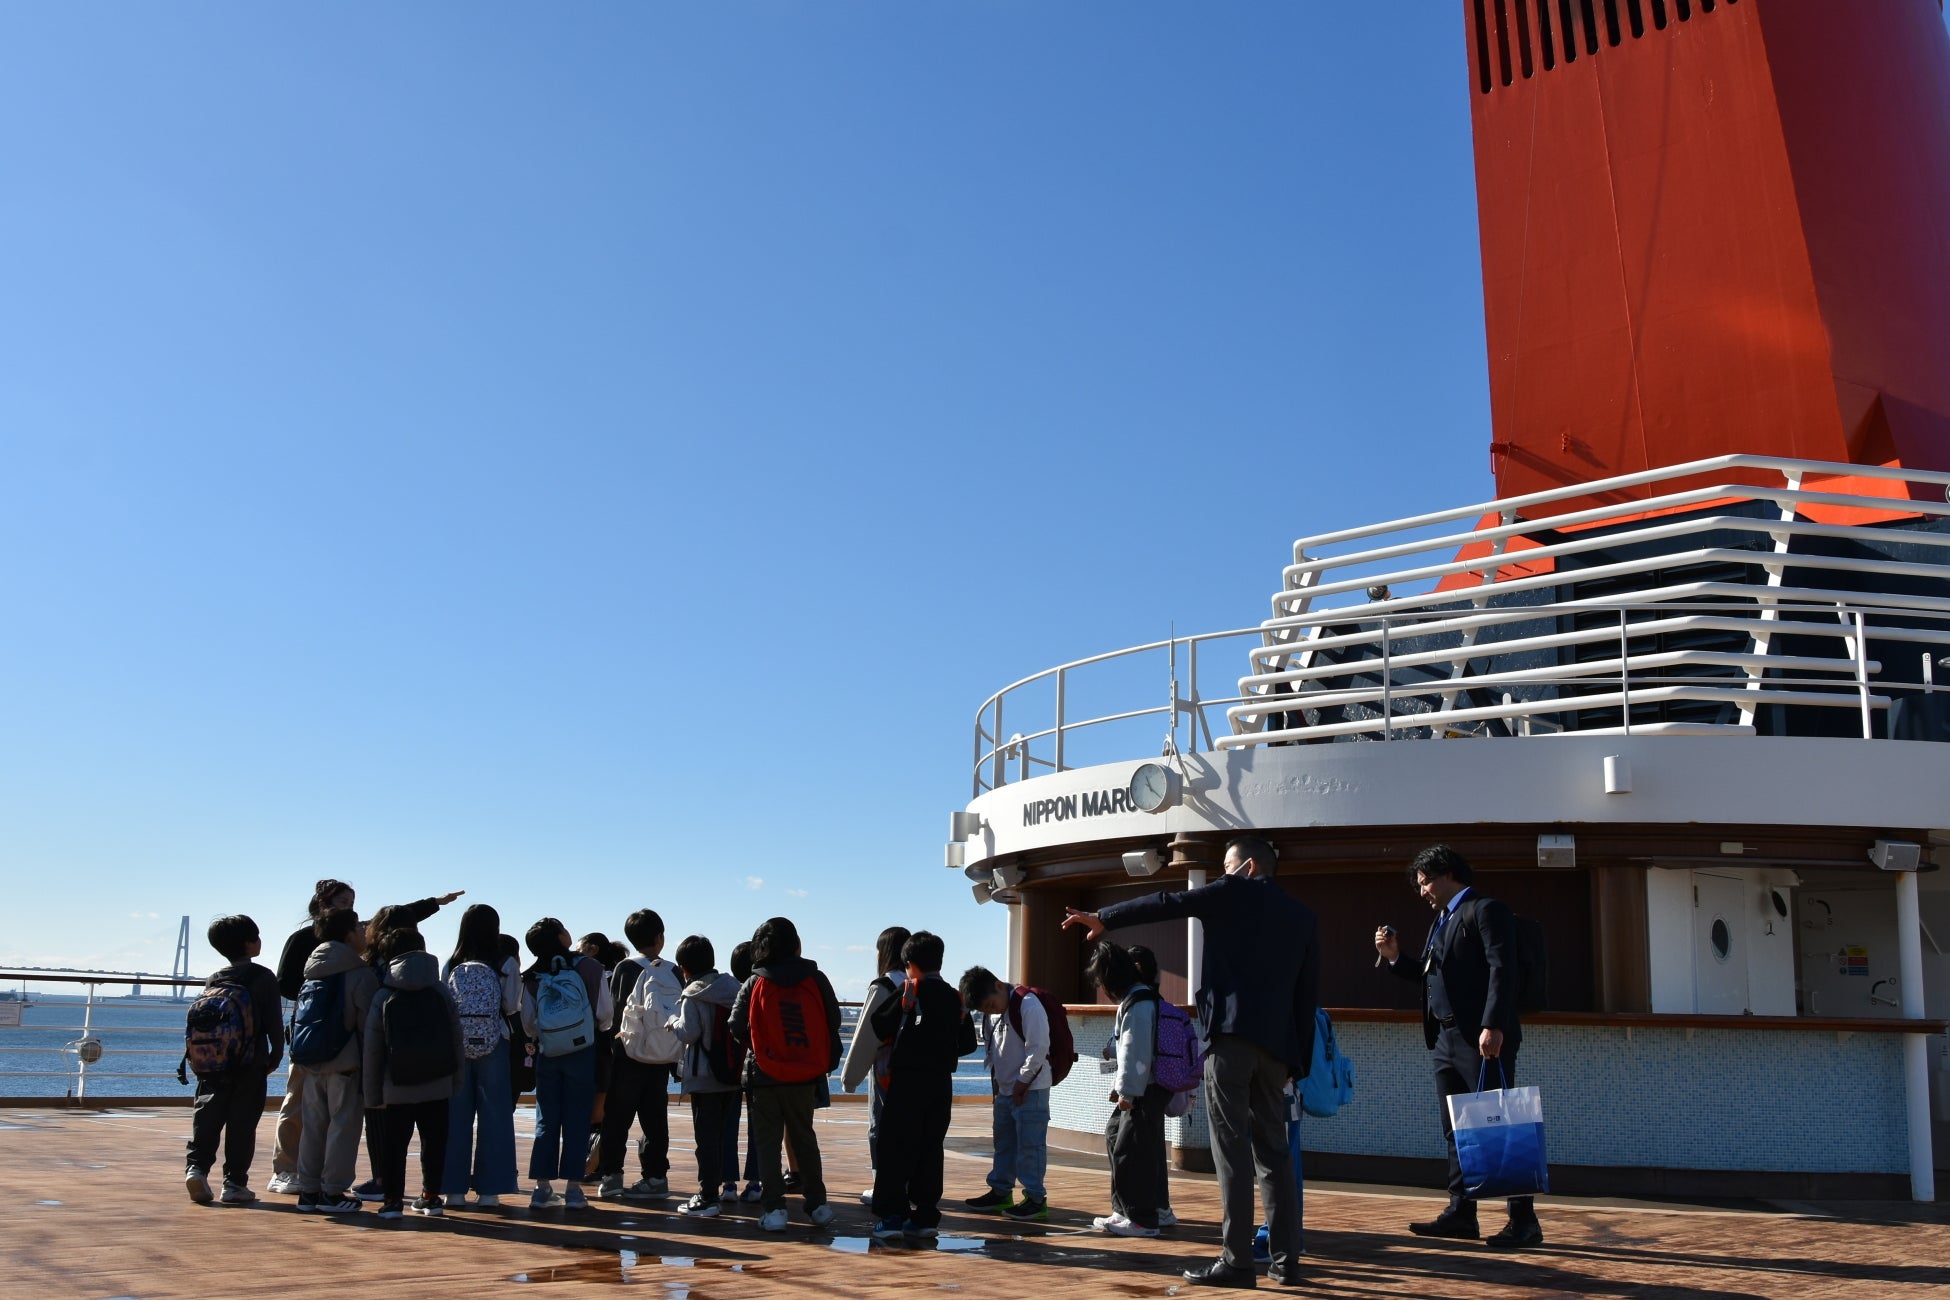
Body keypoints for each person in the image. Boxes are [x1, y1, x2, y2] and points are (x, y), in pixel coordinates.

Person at [1064, 832, 1318, 1289]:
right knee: (1275, 1154)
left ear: (1249, 868)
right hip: (1278, 1051)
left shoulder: (1230, 892)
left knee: (1232, 1152)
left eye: (1228, 865)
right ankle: (1286, 1262)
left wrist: (1104, 917)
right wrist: (1298, 1063)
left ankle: (1238, 1263)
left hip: (1232, 1043)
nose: (1222, 873)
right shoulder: (1302, 915)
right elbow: (1306, 995)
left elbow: (1168, 901)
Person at [1375, 844, 1542, 1250]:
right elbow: (1433, 977)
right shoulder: (1442, 921)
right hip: (1445, 1039)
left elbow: (1504, 969)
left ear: (1448, 873)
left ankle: (1523, 1221)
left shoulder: (1485, 909)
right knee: (1456, 1129)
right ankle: (1461, 1213)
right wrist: (1396, 959)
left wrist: (1493, 1025)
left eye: (1426, 881)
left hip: (1481, 1038)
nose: (1423, 892)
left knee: (1502, 1127)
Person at [729, 916, 842, 1232]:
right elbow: (832, 1020)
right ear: (796, 945)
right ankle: (818, 1205)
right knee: (805, 1138)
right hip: (805, 1075)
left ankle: (775, 1209)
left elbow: (736, 1026)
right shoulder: (815, 978)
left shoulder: (755, 982)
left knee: (767, 1144)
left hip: (764, 1076)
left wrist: (762, 1047)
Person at [869, 931, 978, 1241]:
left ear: (909, 964)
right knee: (930, 1148)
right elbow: (968, 1043)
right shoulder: (956, 997)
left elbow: (879, 1023)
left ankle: (892, 1217)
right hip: (940, 1083)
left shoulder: (910, 990)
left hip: (906, 1082)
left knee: (895, 1147)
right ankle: (925, 1216)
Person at [362, 925, 464, 1220]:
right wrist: (456, 1079)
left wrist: (372, 1094)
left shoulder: (384, 993)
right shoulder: (441, 990)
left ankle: (392, 1201)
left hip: (396, 1085)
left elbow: (373, 1048)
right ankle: (431, 1197)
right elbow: (456, 1039)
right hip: (439, 1081)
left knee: (393, 1145)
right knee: (435, 1142)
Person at [184, 914, 284, 1206]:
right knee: (242, 1121)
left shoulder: (215, 978)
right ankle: (234, 1183)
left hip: (211, 1060)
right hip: (249, 1061)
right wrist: (276, 1052)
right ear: (249, 943)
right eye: (256, 937)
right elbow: (272, 1021)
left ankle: (197, 1168)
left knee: (207, 1114)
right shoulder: (263, 977)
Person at [520, 917, 613, 1211]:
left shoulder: (532, 975)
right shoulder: (589, 967)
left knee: (547, 1118)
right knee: (577, 1117)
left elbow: (528, 1023)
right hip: (582, 1050)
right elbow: (605, 1015)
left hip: (548, 1052)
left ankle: (541, 1188)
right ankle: (574, 1190)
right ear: (561, 937)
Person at [294, 907, 378, 1215]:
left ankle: (308, 1191)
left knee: (313, 1127)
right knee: (343, 1127)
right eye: (359, 928)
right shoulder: (358, 973)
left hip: (312, 1061)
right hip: (345, 1063)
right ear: (348, 934)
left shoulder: (312, 970)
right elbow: (368, 1026)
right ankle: (332, 1192)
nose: (364, 933)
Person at [598, 909, 684, 1200]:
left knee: (617, 1117)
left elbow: (613, 1012)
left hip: (627, 1053)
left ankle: (611, 1176)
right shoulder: (672, 970)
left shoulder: (624, 968)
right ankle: (656, 1176)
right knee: (655, 1118)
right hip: (661, 1055)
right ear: (660, 937)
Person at [441, 904, 522, 1207]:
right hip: (495, 1040)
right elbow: (513, 1005)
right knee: (495, 1115)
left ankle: (453, 1190)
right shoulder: (505, 963)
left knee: (455, 1116)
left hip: (458, 1044)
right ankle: (490, 1190)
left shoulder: (452, 962)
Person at [958, 964, 1052, 1222]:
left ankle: (1035, 1198)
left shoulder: (1028, 1005)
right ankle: (1001, 1191)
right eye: (984, 1010)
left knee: (1031, 1145)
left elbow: (1039, 1048)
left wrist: (1022, 1083)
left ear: (999, 986)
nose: (990, 1011)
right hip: (1006, 1089)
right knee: (1004, 1143)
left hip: (1031, 1089)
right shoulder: (992, 1015)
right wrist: (999, 1086)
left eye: (990, 1005)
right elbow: (994, 1051)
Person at [1087, 941, 1166, 1238]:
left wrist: (1127, 1093)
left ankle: (1143, 1219)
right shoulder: (1137, 999)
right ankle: (1124, 1211)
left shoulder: (1138, 1003)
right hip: (1139, 1089)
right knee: (1117, 1139)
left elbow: (1136, 1052)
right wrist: (1120, 1089)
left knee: (1132, 1152)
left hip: (1143, 1091)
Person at [668, 934, 741, 1217]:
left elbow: (689, 1033)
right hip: (732, 1076)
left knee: (706, 1139)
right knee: (726, 1136)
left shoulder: (692, 994)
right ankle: (727, 1186)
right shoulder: (733, 987)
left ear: (684, 968)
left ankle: (707, 1195)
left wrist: (672, 1021)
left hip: (704, 1078)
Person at [841, 926, 910, 1205]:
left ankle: (883, 1185)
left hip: (886, 1072)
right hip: (917, 1071)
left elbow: (865, 1037)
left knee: (879, 1126)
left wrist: (849, 1078)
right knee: (910, 1127)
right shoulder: (919, 984)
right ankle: (908, 1184)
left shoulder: (882, 987)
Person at [1128, 944, 1178, 1229]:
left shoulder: (1142, 1002)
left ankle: (1154, 1209)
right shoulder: (1157, 1000)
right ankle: (1160, 1207)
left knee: (1147, 1149)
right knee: (1154, 1147)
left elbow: (1140, 1049)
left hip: (1147, 1085)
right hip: (1161, 1082)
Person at [727, 940, 762, 1203]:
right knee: (757, 1127)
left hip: (725, 1068)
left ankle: (727, 1182)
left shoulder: (726, 993)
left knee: (725, 1126)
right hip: (755, 1067)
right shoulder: (761, 990)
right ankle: (755, 1181)